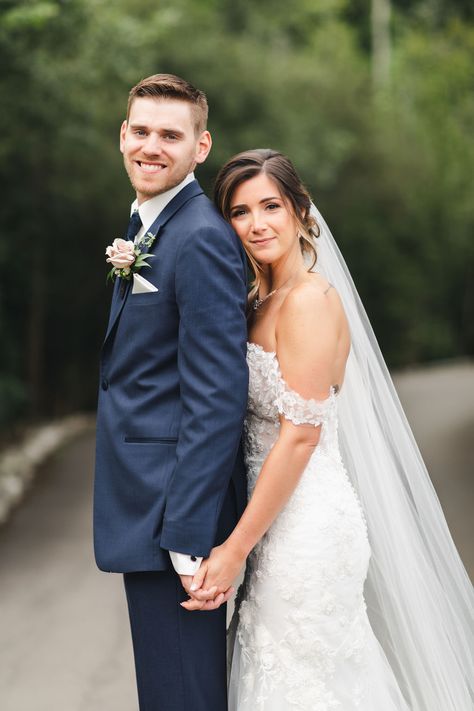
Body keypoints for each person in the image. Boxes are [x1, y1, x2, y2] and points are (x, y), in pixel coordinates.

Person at [184, 149, 474, 710]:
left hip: (307, 530)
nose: (257, 223)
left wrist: (235, 549)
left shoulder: (311, 301)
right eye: (240, 212)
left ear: (300, 211)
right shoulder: (257, 301)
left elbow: (299, 436)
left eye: (271, 205)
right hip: (269, 524)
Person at [93, 74, 249, 711]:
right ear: (122, 135)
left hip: (174, 523)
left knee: (181, 695)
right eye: (141, 130)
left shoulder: (202, 238)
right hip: (149, 507)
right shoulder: (151, 225)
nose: (151, 146)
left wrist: (187, 537)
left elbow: (217, 398)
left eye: (170, 135)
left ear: (201, 145)